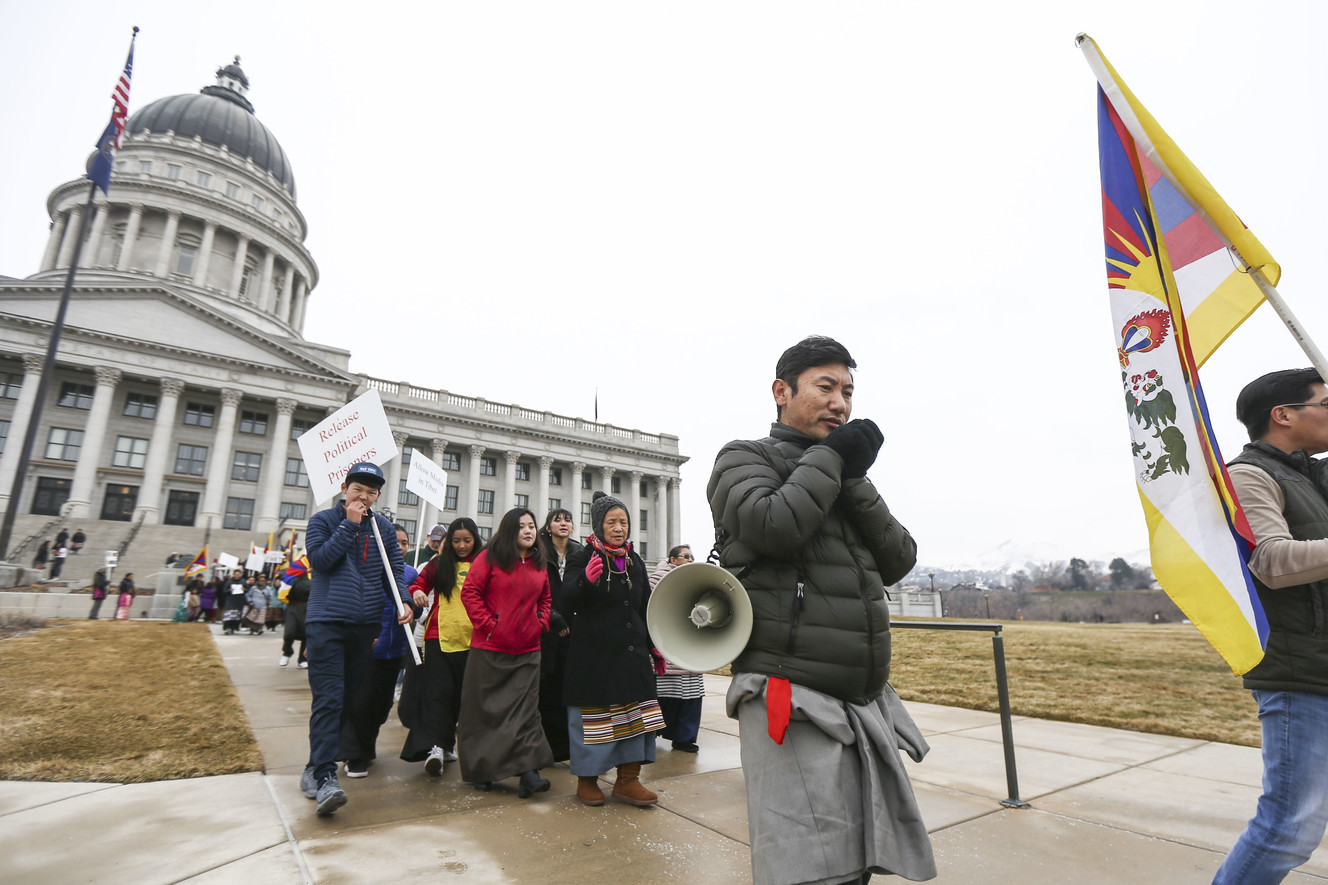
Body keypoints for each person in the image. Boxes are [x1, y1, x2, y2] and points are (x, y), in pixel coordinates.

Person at [706, 335, 934, 884]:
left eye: (848, 392)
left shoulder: (839, 473)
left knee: (854, 859)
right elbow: (772, 525)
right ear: (781, 392)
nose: (841, 403)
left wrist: (851, 476)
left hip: (857, 695)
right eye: (826, 387)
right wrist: (832, 460)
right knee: (808, 865)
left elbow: (899, 558)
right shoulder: (743, 457)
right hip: (791, 692)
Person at [1213, 368, 1328, 884]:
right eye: (1326, 402)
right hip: (1301, 674)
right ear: (1283, 415)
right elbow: (1273, 561)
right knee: (1289, 828)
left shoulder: (1312, 476)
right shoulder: (1249, 476)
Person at [300, 461, 411, 816]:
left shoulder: (383, 529)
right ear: (345, 488)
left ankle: (315, 766)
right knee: (329, 700)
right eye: (358, 489)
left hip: (365, 626)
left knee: (348, 701)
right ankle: (327, 777)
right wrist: (349, 525)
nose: (364, 496)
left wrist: (403, 601)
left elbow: (393, 573)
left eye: (371, 491)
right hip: (328, 622)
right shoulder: (323, 521)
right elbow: (321, 561)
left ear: (378, 495)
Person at [562, 491, 663, 807]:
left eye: (623, 522)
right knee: (594, 722)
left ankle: (628, 780)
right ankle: (587, 780)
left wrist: (655, 645)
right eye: (612, 522)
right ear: (598, 525)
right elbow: (566, 598)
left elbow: (646, 605)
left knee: (637, 717)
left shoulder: (634, 561)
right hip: (594, 658)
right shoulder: (582, 556)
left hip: (631, 656)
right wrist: (585, 583)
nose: (619, 528)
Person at [457, 508, 554, 797]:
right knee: (485, 713)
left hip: (528, 650)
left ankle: (529, 772)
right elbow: (470, 593)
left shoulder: (539, 562)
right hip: (490, 649)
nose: (528, 531)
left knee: (526, 714)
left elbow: (546, 598)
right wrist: (489, 626)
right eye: (522, 526)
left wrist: (541, 622)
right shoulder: (489, 557)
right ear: (509, 530)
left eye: (532, 526)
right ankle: (482, 771)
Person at [340, 524, 423, 778]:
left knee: (381, 705)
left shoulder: (409, 574)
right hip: (367, 650)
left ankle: (366, 745)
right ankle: (355, 755)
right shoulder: (367, 569)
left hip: (395, 651)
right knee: (360, 704)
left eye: (405, 542)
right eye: (395, 541)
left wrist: (416, 603)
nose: (400, 547)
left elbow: (414, 613)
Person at [400, 517, 482, 774]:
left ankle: (451, 743)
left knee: (464, 697)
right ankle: (435, 746)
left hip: (475, 641)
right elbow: (417, 584)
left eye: (467, 541)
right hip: (438, 637)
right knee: (438, 694)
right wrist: (416, 594)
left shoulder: (484, 563)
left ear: (475, 540)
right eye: (456, 541)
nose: (461, 546)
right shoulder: (438, 563)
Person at [649, 544, 705, 753]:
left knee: (691, 696)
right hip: (667, 650)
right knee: (665, 695)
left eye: (692, 557)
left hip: (689, 650)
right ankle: (653, 732)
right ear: (672, 560)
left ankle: (685, 738)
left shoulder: (694, 579)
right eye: (686, 556)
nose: (690, 560)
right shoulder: (656, 581)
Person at [537, 508, 578, 762]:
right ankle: (547, 746)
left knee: (568, 688)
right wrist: (553, 616)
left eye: (567, 520)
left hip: (574, 632)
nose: (563, 523)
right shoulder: (538, 554)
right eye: (557, 519)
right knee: (547, 689)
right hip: (545, 630)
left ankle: (565, 747)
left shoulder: (580, 554)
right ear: (548, 527)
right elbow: (534, 590)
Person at [281, 574, 311, 668]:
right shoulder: (292, 573)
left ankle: (302, 659)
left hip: (308, 605)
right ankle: (287, 652)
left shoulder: (313, 573)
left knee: (307, 633)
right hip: (293, 605)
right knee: (289, 632)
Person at [221, 569, 247, 635]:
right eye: (236, 574)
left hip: (239, 601)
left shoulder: (243, 582)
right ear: (234, 574)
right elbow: (224, 591)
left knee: (236, 617)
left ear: (240, 575)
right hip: (230, 601)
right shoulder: (229, 582)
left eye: (238, 574)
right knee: (229, 616)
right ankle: (227, 628)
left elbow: (247, 590)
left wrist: (244, 589)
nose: (237, 576)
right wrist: (229, 590)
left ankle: (233, 628)